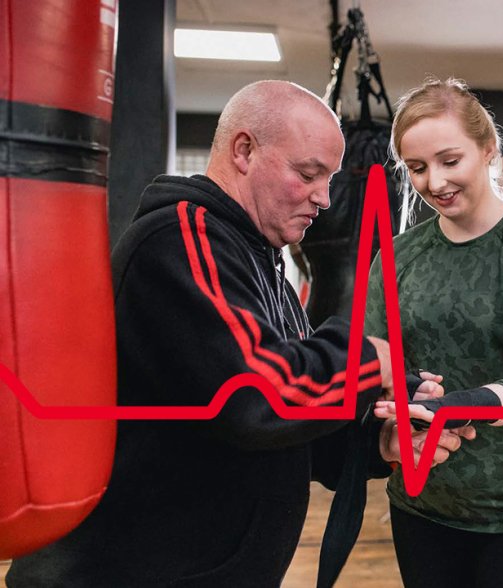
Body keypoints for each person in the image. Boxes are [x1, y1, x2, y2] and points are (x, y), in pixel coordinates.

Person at [7, 80, 474, 587]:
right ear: (245, 150)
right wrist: (369, 355)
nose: (323, 198)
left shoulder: (258, 257)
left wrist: (377, 445)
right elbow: (254, 397)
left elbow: (287, 425)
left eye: (330, 179)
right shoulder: (182, 238)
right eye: (308, 174)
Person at [365, 78, 503, 587]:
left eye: (450, 160)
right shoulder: (396, 259)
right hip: (424, 507)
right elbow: (375, 364)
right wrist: (404, 392)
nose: (434, 181)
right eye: (416, 168)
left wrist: (472, 402)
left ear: (488, 150)